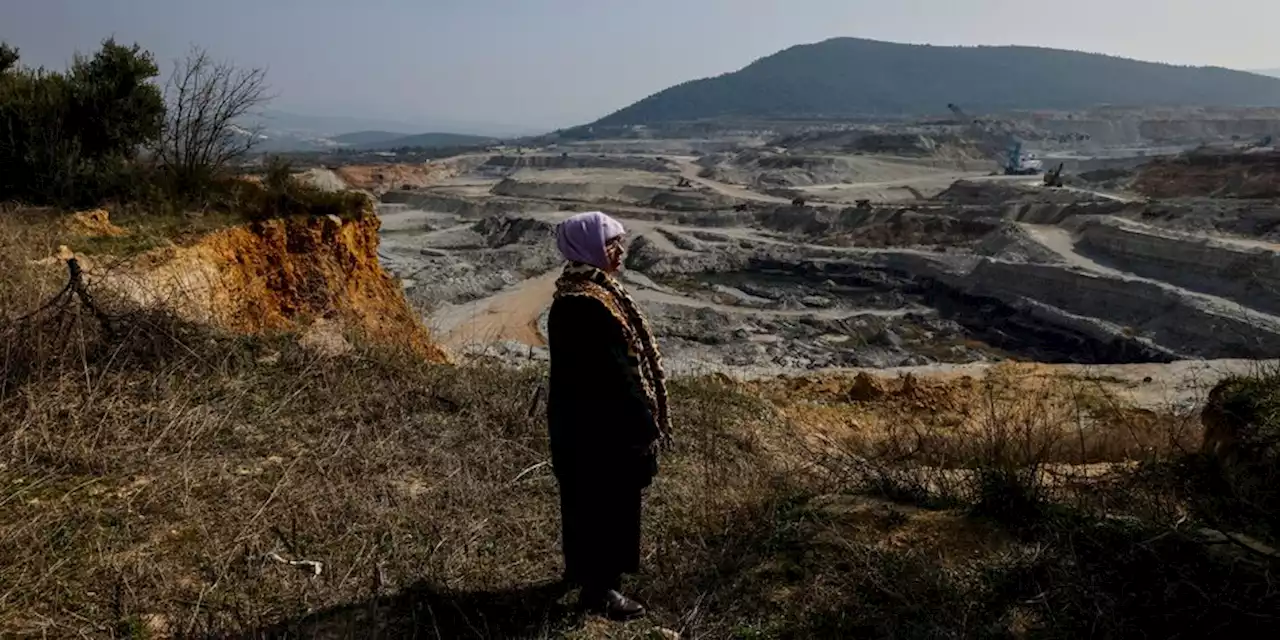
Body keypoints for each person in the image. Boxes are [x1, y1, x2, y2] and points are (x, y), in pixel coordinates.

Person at [546, 211, 672, 621]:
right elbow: (617, 373)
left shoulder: (579, 290)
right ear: (589, 248)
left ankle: (582, 572)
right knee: (608, 505)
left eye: (620, 242)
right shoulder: (588, 303)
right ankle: (601, 591)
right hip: (602, 428)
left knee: (584, 503)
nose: (620, 251)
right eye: (611, 244)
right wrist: (644, 425)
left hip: (582, 424)